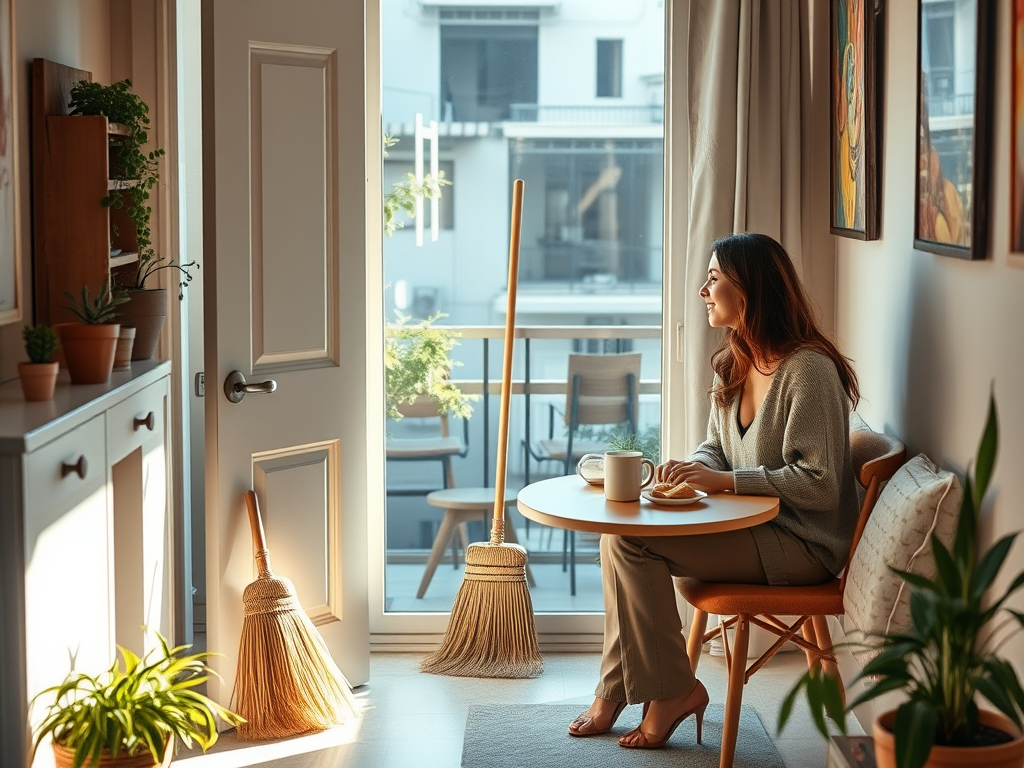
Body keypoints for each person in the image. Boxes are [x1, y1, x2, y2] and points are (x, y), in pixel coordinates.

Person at [568, 232, 861, 750]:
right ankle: (617, 689)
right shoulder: (736, 362)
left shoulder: (808, 371)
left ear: (749, 291)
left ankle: (673, 693)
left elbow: (819, 485)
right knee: (618, 537)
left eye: (713, 279)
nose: (704, 291)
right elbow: (715, 449)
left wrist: (723, 481)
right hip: (756, 527)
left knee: (632, 543)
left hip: (802, 545)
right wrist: (692, 469)